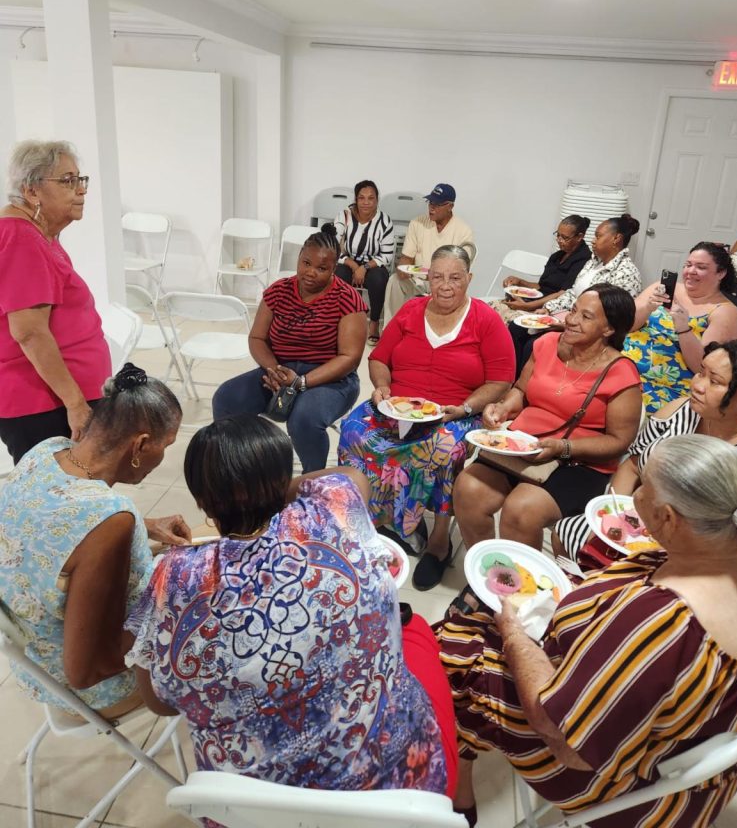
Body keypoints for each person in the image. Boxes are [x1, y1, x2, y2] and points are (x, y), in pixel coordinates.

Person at [438, 435, 737, 828]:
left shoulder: (662, 622)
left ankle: (457, 784)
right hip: (693, 743)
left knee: (452, 647)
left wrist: (513, 635)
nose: (634, 495)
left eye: (643, 486)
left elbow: (566, 743)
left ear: (668, 518)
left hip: (625, 784)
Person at [125, 414, 458, 796]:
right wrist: (269, 487)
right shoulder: (332, 510)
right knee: (414, 630)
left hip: (250, 811)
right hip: (403, 789)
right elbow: (352, 475)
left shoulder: (172, 577)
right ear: (285, 481)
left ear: (202, 503)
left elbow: (160, 703)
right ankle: (463, 804)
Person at [0, 363, 189, 715]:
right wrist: (176, 606)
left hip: (35, 663)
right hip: (94, 688)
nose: (162, 458)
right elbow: (86, 671)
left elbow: (56, 525)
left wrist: (144, 526)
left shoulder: (46, 452)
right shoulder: (110, 518)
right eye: (166, 445)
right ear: (140, 445)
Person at [338, 245, 515, 590]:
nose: (445, 286)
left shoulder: (485, 319)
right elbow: (379, 358)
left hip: (453, 413)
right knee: (354, 431)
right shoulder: (411, 310)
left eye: (455, 278)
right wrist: (382, 387)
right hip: (398, 406)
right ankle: (379, 521)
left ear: (469, 279)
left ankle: (438, 542)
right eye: (437, 277)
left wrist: (466, 408)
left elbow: (501, 380)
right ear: (427, 278)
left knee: (443, 450)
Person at [452, 284, 641, 583]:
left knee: (521, 510)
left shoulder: (620, 373)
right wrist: (503, 408)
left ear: (608, 329)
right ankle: (492, 578)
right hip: (524, 445)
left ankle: (523, 592)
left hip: (578, 460)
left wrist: (564, 447)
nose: (571, 319)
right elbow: (520, 391)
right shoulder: (547, 344)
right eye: (573, 310)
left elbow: (619, 441)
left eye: (586, 316)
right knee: (468, 489)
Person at [554, 338, 737, 561]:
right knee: (566, 533)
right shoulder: (679, 411)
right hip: (640, 519)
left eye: (714, 381)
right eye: (701, 371)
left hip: (703, 555)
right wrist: (613, 517)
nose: (697, 384)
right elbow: (632, 467)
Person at [212, 224, 367, 471]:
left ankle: (313, 479)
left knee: (304, 420)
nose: (311, 272)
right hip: (280, 370)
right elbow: (257, 338)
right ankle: (239, 469)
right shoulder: (278, 291)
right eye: (306, 263)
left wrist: (301, 382)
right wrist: (273, 369)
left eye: (321, 268)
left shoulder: (347, 299)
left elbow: (350, 358)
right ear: (299, 258)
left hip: (331, 378)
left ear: (333, 269)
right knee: (227, 398)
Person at [0, 140, 111, 464]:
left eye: (80, 179)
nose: (81, 190)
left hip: (54, 402)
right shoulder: (20, 238)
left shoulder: (37, 234)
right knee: (58, 492)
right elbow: (29, 332)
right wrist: (75, 403)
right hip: (45, 406)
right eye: (67, 181)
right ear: (31, 191)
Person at [623, 241, 737, 412]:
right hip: (624, 367)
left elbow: (703, 367)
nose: (691, 271)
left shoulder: (725, 312)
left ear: (721, 273)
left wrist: (683, 329)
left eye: (701, 267)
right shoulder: (663, 288)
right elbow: (624, 326)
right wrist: (647, 308)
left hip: (664, 387)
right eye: (688, 265)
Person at [509, 214, 642, 372]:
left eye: (598, 236)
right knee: (516, 328)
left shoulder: (626, 273)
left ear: (616, 239)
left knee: (534, 344)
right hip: (566, 317)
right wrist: (548, 309)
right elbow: (573, 292)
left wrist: (566, 325)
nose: (593, 241)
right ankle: (512, 380)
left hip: (587, 331)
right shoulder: (593, 263)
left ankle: (530, 384)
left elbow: (611, 320)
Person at [382, 183, 475, 324]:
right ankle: (392, 327)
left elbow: (460, 271)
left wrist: (437, 277)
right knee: (394, 281)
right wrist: (403, 267)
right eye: (430, 202)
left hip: (445, 282)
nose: (432, 207)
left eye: (437, 204)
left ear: (450, 206)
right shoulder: (417, 223)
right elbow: (406, 258)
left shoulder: (463, 231)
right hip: (418, 279)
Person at [488, 215, 592, 324]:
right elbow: (541, 286)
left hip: (549, 308)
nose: (559, 240)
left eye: (565, 238)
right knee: (489, 309)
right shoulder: (558, 256)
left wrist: (528, 306)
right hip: (535, 301)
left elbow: (563, 293)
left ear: (579, 237)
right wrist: (520, 282)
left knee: (506, 320)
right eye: (558, 235)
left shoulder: (584, 260)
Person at [334, 179, 395, 344]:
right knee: (339, 274)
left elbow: (387, 255)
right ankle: (340, 320)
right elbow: (333, 247)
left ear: (377, 200)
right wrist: (354, 266)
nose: (366, 202)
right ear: (355, 199)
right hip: (348, 261)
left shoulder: (385, 221)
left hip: (373, 263)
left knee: (379, 278)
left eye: (371, 198)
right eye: (361, 198)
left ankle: (374, 323)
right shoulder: (344, 216)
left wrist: (365, 267)